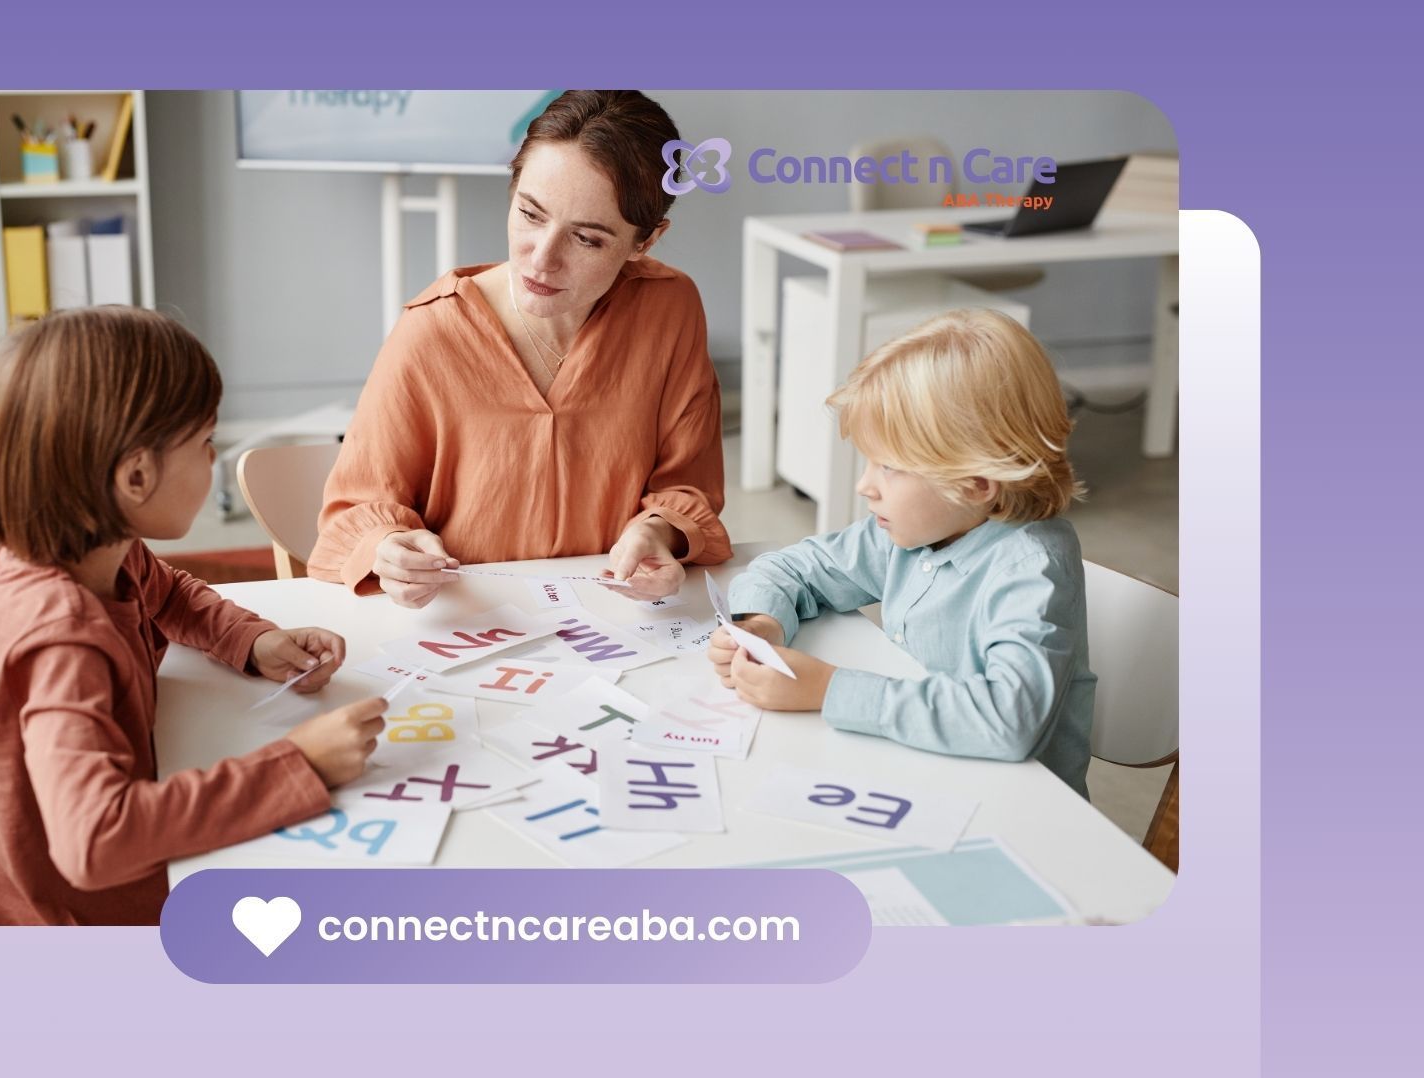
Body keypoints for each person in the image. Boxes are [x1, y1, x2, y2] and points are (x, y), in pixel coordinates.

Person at [0, 307, 387, 925]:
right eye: (206, 442)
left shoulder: (85, 549)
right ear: (135, 476)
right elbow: (95, 841)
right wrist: (299, 764)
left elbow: (168, 593)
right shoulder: (61, 637)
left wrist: (250, 640)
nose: (213, 461)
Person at [309, 90, 732, 607]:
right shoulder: (432, 332)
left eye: (588, 239)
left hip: (613, 618)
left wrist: (658, 534)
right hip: (469, 620)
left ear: (644, 241)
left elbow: (689, 484)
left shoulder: (670, 308)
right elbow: (357, 511)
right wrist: (389, 550)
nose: (542, 260)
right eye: (530, 214)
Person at [711, 309, 1098, 795]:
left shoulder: (1032, 569)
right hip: (923, 778)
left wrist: (828, 689)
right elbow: (790, 568)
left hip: (1014, 812)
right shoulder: (914, 532)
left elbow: (1008, 720)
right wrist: (762, 623)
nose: (864, 486)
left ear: (975, 482)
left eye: (890, 467)